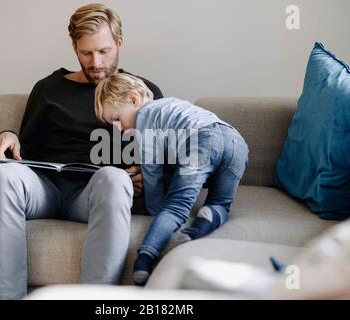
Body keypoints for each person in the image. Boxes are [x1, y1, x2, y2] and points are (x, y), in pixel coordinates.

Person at [0, 3, 163, 299]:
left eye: (104, 51)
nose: (95, 62)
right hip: (46, 190)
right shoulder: (48, 89)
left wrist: (148, 178)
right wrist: (7, 135)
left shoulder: (143, 92)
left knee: (114, 178)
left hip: (94, 195)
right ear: (74, 47)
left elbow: (161, 160)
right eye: (86, 53)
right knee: (3, 176)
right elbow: (23, 150)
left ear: (119, 43)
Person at [94, 73, 248, 285]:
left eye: (117, 119)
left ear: (134, 99)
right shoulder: (172, 105)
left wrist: (156, 209)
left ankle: (145, 258)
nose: (118, 129)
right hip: (236, 142)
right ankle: (207, 217)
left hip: (201, 140)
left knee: (176, 205)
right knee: (221, 203)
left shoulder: (145, 117)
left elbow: (152, 172)